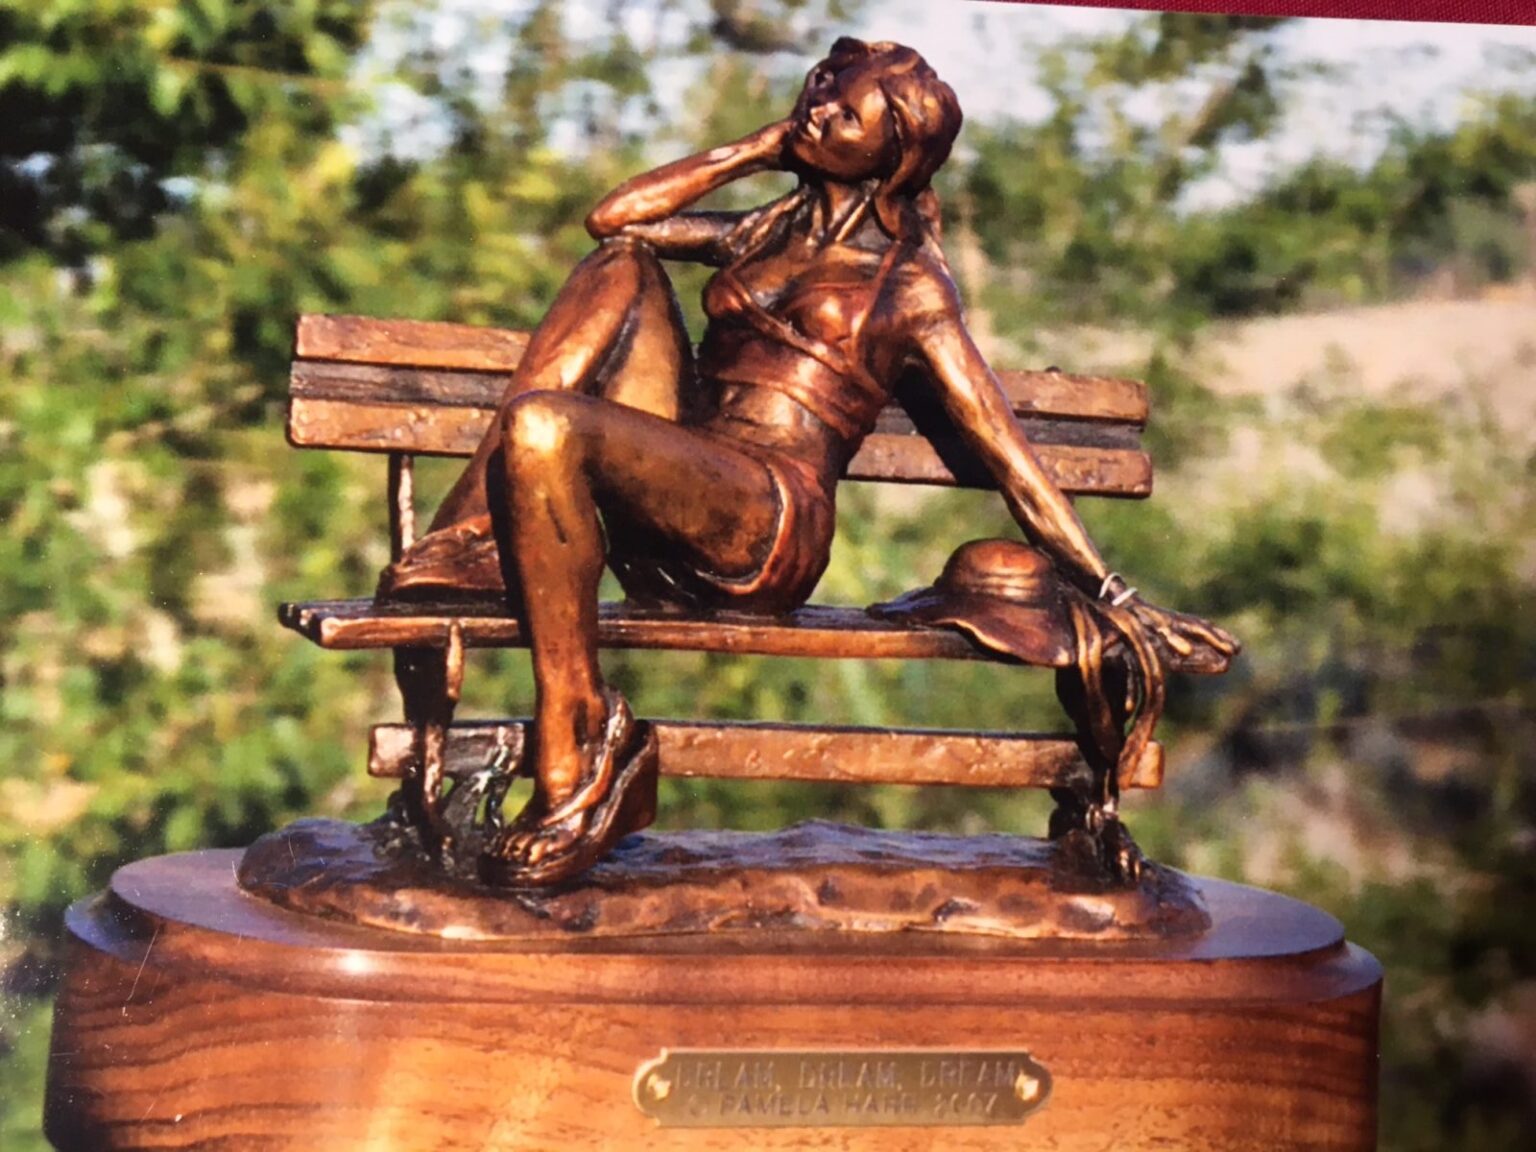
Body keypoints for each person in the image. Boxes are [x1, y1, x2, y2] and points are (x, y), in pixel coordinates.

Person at [379, 37, 1237, 884]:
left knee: (545, 429)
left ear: (893, 157)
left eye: (848, 111)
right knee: (619, 264)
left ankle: (577, 743)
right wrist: (758, 147)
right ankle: (479, 539)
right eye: (823, 89)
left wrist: (1113, 590)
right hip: (679, 506)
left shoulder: (910, 288)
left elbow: (1007, 452)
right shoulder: (764, 231)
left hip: (766, 523)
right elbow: (614, 217)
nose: (821, 107)